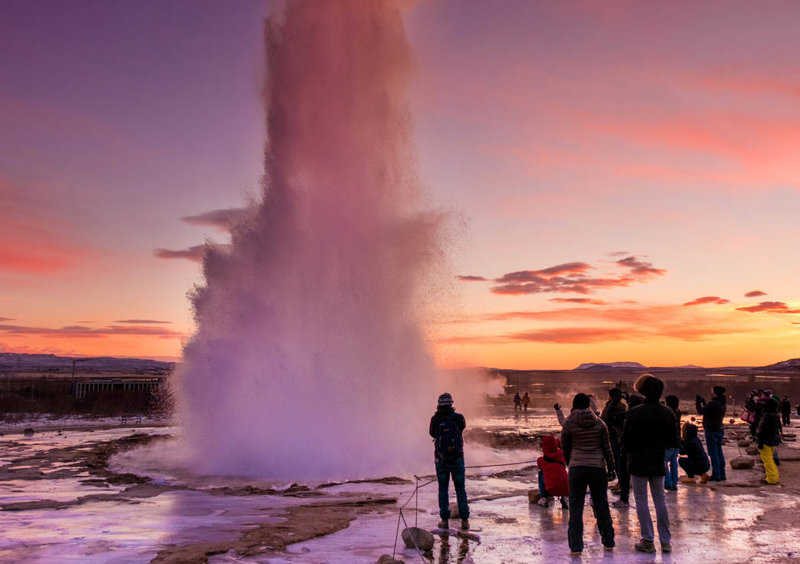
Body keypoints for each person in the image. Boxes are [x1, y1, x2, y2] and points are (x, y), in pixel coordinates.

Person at [623, 375, 677, 554]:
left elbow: (626, 440)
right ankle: (666, 541)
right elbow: (673, 440)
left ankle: (648, 540)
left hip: (638, 461)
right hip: (657, 460)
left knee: (641, 500)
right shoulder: (667, 412)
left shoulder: (634, 412)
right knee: (660, 500)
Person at [561, 393, 616, 555]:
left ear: (574, 405)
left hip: (577, 468)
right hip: (597, 468)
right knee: (602, 505)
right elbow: (607, 448)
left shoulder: (569, 423)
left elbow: (565, 446)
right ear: (589, 405)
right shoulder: (600, 423)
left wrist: (569, 462)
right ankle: (608, 542)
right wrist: (611, 467)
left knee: (576, 508)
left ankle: (576, 547)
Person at [429, 393, 470, 530]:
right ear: (451, 403)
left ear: (439, 404)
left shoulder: (435, 419)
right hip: (457, 458)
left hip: (441, 460)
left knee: (443, 489)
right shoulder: (458, 418)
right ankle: (465, 520)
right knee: (460, 489)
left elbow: (432, 434)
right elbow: (462, 428)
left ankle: (444, 520)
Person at [601, 388, 628, 503]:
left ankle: (622, 484)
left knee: (617, 460)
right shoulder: (622, 406)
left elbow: (605, 420)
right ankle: (621, 483)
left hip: (613, 436)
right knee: (618, 460)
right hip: (618, 436)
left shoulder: (612, 407)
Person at [696, 386, 727, 482]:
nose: (711, 392)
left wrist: (697, 402)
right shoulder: (721, 402)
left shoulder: (713, 403)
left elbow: (701, 411)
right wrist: (705, 403)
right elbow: (709, 411)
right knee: (719, 452)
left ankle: (716, 474)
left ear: (715, 393)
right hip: (719, 429)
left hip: (711, 430)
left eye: (712, 391)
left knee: (713, 453)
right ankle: (722, 474)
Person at [536, 435, 569, 509]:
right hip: (566, 489)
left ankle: (544, 498)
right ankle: (566, 498)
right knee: (562, 474)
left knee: (541, 472)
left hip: (551, 489)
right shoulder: (561, 455)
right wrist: (557, 442)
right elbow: (560, 447)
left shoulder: (540, 460)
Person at [757, 397, 782, 485]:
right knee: (770, 459)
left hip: (766, 441)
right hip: (771, 440)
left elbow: (763, 430)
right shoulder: (774, 415)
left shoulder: (767, 416)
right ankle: (774, 477)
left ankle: (771, 479)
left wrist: (760, 440)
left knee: (767, 460)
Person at [663, 395, 681, 491]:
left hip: (669, 442)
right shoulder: (677, 412)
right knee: (673, 463)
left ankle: (668, 482)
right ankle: (674, 483)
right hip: (677, 442)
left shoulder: (668, 413)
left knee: (664, 462)